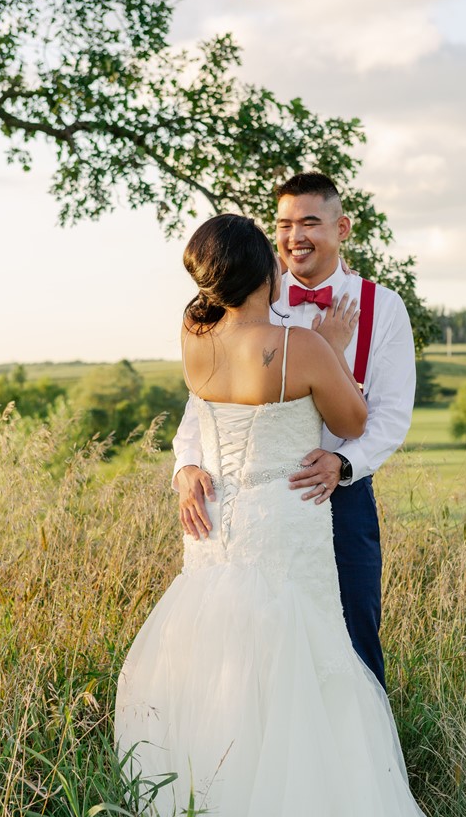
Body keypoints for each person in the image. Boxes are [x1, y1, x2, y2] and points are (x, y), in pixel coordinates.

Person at [115, 213, 443, 817]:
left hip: (217, 528)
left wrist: (189, 468)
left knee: (225, 673)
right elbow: (354, 421)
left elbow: (201, 414)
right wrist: (327, 350)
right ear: (265, 272)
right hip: (284, 522)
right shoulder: (301, 346)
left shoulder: (194, 337)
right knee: (301, 671)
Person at [173, 173, 416, 691]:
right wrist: (186, 464)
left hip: (340, 495)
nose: (294, 236)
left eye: (309, 221)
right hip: (254, 503)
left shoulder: (384, 307)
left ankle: (355, 757)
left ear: (341, 227)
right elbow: (200, 406)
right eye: (283, 224)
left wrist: (344, 463)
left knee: (352, 632)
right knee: (252, 642)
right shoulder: (242, 299)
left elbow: (392, 413)